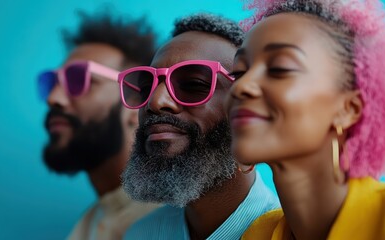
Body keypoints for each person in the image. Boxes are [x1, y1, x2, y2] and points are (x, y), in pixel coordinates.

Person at [224, 0, 385, 239]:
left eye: (280, 68)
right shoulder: (257, 234)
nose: (242, 86)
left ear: (348, 109)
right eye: (239, 72)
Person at [120, 13, 279, 240]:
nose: (155, 102)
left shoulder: (289, 233)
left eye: (194, 84)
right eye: (147, 88)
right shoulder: (141, 234)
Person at [38, 11, 159, 240]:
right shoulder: (83, 230)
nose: (54, 98)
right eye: (52, 82)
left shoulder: (181, 218)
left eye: (79, 80)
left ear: (136, 102)